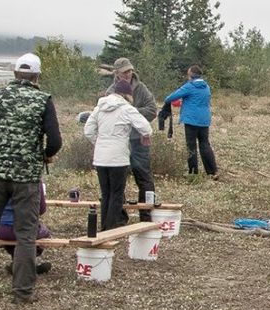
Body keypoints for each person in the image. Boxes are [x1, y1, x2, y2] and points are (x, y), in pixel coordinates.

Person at [0, 54, 63, 304]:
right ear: (37, 76)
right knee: (26, 232)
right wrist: (45, 156)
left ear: (15, 73)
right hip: (26, 178)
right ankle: (22, 291)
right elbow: (56, 141)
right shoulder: (43, 100)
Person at [84, 89, 152, 240]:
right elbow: (146, 127)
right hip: (118, 158)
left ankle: (103, 228)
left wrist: (100, 143)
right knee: (116, 194)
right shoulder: (126, 108)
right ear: (126, 95)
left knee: (106, 193)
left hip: (101, 158)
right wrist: (145, 136)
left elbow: (88, 131)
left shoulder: (99, 108)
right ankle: (111, 229)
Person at [106, 58, 158, 205]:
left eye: (130, 70)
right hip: (119, 141)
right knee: (117, 180)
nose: (128, 74)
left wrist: (131, 113)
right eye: (124, 71)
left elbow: (153, 110)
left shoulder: (141, 88)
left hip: (139, 140)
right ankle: (119, 216)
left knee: (144, 176)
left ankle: (147, 214)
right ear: (116, 73)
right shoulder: (110, 92)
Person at [159, 65, 218, 178]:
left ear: (191, 75)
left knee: (191, 146)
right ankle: (213, 171)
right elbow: (198, 100)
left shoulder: (189, 86)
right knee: (205, 144)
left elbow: (169, 98)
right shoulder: (206, 87)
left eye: (188, 74)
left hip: (191, 120)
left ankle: (193, 172)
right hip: (204, 119)